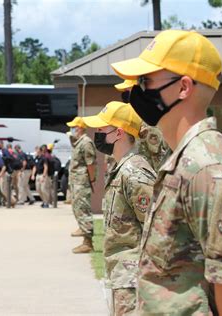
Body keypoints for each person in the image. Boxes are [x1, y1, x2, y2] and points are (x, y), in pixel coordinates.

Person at [111, 30, 222, 315]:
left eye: (145, 81)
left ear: (184, 87)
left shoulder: (210, 170)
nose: (136, 92)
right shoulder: (184, 161)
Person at [83, 101, 156, 315]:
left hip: (133, 278)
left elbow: (156, 230)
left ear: (118, 134)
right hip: (122, 276)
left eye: (102, 128)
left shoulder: (134, 173)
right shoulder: (121, 168)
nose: (97, 132)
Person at [65, 117, 97, 253]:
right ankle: (84, 232)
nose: (71, 130)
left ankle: (88, 242)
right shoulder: (78, 142)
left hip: (82, 181)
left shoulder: (86, 143)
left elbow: (90, 164)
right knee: (77, 207)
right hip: (76, 181)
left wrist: (91, 179)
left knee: (83, 208)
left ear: (79, 128)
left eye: (73, 127)